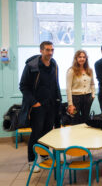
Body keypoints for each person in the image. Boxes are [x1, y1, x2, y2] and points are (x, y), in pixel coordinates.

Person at [19, 41, 62, 173]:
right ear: (41, 50)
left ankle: (43, 156)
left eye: (52, 50)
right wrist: (34, 103)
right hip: (37, 106)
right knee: (36, 134)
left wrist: (58, 101)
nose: (50, 52)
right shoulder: (31, 66)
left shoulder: (54, 64)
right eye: (47, 50)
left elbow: (56, 84)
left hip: (51, 105)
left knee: (47, 133)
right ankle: (31, 161)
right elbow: (23, 86)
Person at [66, 50, 95, 124]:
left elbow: (92, 84)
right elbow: (68, 88)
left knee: (86, 119)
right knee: (75, 120)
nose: (82, 59)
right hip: (76, 98)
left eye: (84, 57)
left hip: (87, 97)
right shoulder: (71, 71)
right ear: (76, 58)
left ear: (86, 59)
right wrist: (70, 104)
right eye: (80, 57)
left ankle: (85, 135)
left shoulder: (90, 70)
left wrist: (93, 95)